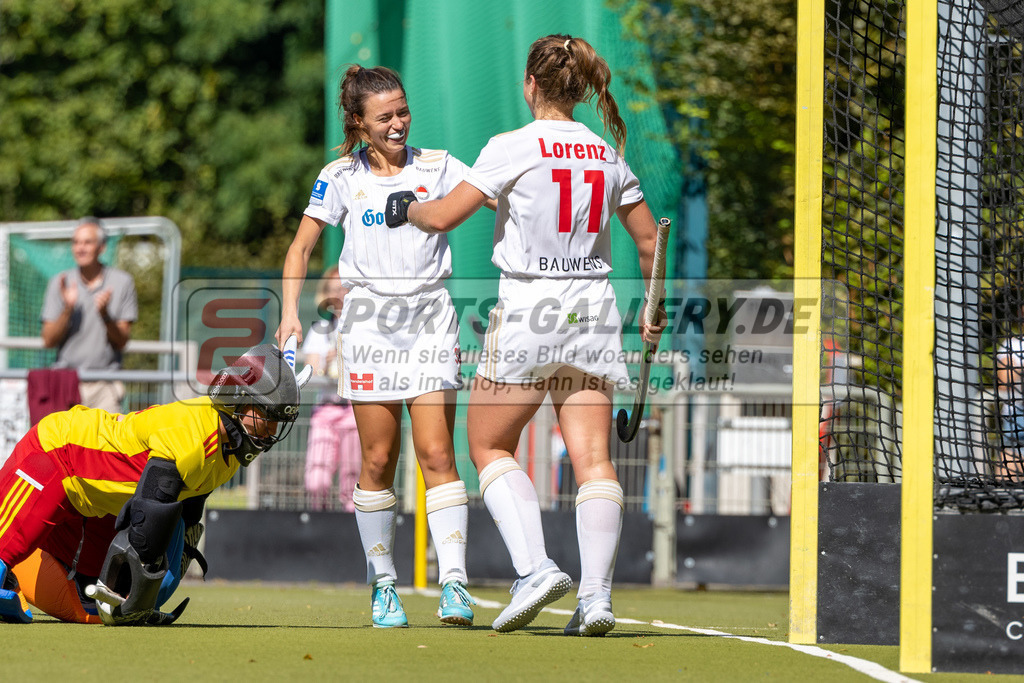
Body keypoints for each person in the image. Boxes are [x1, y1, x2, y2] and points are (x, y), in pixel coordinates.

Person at [386, 34, 667, 636]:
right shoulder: (603, 151)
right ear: (580, 89)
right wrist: (652, 306)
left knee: (488, 445)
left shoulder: (512, 146)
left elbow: (440, 217)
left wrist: (405, 206)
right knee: (594, 459)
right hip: (592, 311)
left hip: (527, 309)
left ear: (531, 85)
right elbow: (648, 240)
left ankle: (536, 569)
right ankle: (596, 599)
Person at [276, 65, 491, 628]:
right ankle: (384, 585)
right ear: (358, 122)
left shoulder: (439, 165)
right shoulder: (340, 175)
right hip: (369, 326)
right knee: (377, 459)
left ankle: (455, 586)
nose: (398, 124)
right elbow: (300, 250)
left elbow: (497, 198)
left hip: (431, 319)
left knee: (439, 455)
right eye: (385, 116)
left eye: (403, 110)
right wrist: (289, 317)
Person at [0, 343, 304, 625]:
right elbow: (146, 520)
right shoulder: (192, 435)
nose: (273, 430)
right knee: (7, 548)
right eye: (268, 416)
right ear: (240, 400)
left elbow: (186, 512)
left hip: (95, 503)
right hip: (57, 453)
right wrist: (146, 575)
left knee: (87, 604)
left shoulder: (228, 454)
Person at [40, 217, 138, 414]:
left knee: (108, 444)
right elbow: (48, 340)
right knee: (64, 444)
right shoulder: (60, 282)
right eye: (76, 242)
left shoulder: (122, 282)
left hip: (106, 385)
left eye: (87, 242)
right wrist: (67, 309)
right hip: (67, 382)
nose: (80, 248)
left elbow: (122, 341)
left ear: (101, 247)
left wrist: (105, 315)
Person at [302, 266, 360, 511]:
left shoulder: (364, 328)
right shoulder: (319, 331)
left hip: (354, 410)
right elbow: (311, 370)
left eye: (343, 288)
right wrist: (327, 359)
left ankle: (350, 534)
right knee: (316, 480)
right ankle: (320, 525)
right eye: (333, 290)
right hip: (326, 410)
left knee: (352, 483)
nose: (339, 295)